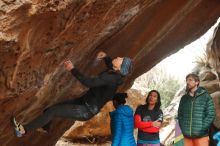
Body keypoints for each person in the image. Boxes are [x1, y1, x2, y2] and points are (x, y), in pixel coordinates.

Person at [11, 51, 133, 137]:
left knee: (52, 111)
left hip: (86, 110)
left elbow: (89, 82)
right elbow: (110, 65)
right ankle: (45, 127)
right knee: (49, 110)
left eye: (121, 59)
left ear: (119, 68)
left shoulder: (111, 78)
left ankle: (22, 130)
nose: (118, 57)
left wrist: (72, 69)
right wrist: (106, 57)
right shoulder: (116, 75)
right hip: (84, 102)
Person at [178, 73, 215, 146]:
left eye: (190, 80)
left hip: (201, 136)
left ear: (197, 82)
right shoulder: (184, 98)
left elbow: (211, 114)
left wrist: (201, 129)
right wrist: (183, 129)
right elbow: (180, 115)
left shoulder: (206, 96)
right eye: (186, 80)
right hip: (187, 137)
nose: (187, 82)